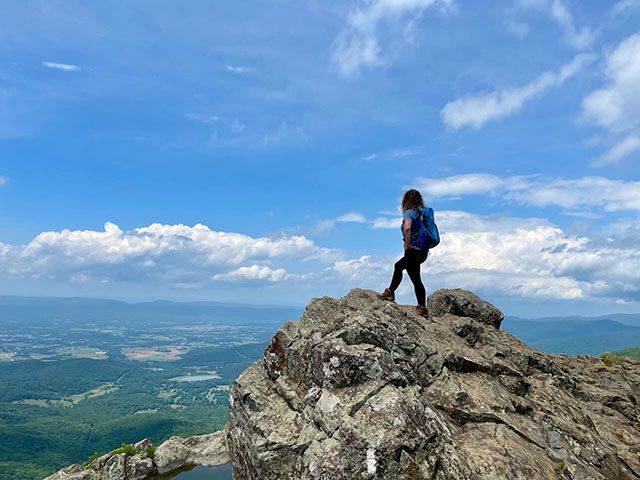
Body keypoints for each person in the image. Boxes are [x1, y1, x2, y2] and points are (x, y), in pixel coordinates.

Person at [377, 189, 430, 317]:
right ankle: (422, 308)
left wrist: (407, 245)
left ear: (405, 201)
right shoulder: (421, 214)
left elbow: (407, 228)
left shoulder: (409, 213)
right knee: (415, 278)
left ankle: (390, 292)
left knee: (398, 266)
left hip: (413, 251)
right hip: (422, 252)